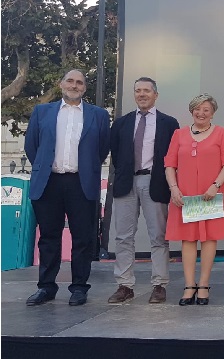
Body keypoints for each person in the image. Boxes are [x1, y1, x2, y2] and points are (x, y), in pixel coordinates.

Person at [24, 69, 110, 306]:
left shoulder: (99, 115)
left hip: (81, 182)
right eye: (70, 81)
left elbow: (102, 149)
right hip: (49, 182)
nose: (74, 85)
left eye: (79, 82)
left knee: (83, 237)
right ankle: (46, 287)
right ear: (62, 84)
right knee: (49, 237)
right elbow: (32, 146)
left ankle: (79, 288)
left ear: (85, 87)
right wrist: (44, 168)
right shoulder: (42, 112)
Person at [107, 77, 180, 304]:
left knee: (158, 236)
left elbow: (173, 157)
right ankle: (124, 285)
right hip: (126, 183)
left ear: (155, 95)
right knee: (123, 237)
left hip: (155, 183)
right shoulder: (121, 123)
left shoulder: (169, 123)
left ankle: (159, 285)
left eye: (146, 91)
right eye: (138, 90)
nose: (142, 94)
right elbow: (117, 156)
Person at [164, 94, 224, 305]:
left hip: (210, 194)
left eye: (206, 109)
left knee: (209, 238)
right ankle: (189, 285)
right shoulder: (179, 134)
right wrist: (174, 188)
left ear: (213, 113)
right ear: (191, 110)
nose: (201, 113)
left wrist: (215, 185)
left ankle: (203, 285)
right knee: (188, 239)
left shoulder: (223, 134)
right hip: (184, 195)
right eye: (197, 109)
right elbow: (169, 164)